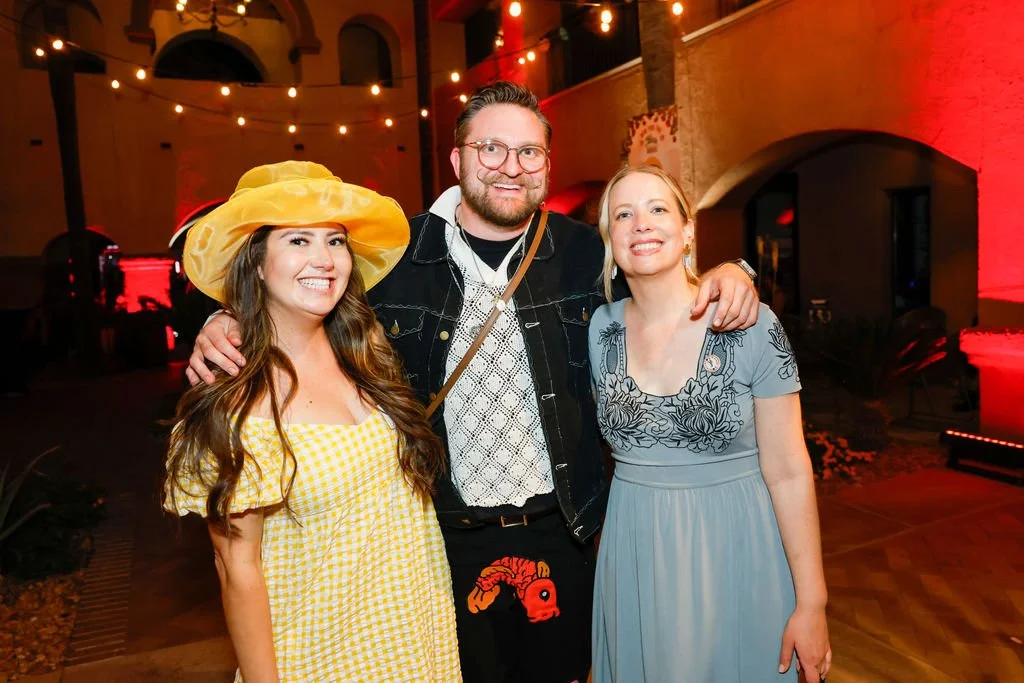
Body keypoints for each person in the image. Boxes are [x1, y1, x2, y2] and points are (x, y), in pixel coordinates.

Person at [189, 83, 762, 683]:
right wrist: (226, 318)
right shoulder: (394, 258)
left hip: (563, 531)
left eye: (529, 152)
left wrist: (731, 270)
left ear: (547, 162)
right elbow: (302, 290)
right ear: (458, 160)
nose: (511, 167)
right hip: (438, 540)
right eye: (490, 149)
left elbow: (664, 285)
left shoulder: (583, 252)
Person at [164, 161, 460, 682]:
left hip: (415, 643)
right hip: (319, 659)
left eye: (335, 241)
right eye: (298, 240)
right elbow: (237, 572)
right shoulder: (236, 401)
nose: (324, 260)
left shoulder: (367, 353)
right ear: (255, 263)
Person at [588, 165, 831, 682]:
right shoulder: (598, 329)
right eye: (623, 214)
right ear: (610, 241)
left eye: (658, 209)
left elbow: (789, 470)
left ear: (687, 229)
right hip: (636, 559)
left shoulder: (748, 324)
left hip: (740, 555)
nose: (641, 224)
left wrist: (813, 603)